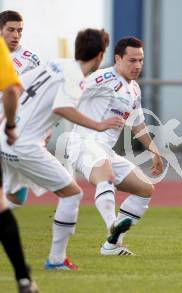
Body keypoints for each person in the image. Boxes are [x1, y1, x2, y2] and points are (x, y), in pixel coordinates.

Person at [0, 28, 125, 270]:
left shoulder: (56, 63)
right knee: (72, 193)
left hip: (6, 139)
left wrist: (14, 123)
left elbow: (16, 87)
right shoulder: (77, 77)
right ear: (100, 56)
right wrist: (98, 124)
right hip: (23, 145)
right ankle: (56, 261)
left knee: (14, 197)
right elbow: (62, 108)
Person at [64, 36, 163, 256]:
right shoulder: (102, 78)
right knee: (106, 175)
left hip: (105, 151)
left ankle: (111, 245)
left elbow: (138, 124)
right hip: (84, 143)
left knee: (145, 189)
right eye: (131, 60)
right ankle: (112, 225)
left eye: (140, 60)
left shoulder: (134, 89)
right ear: (117, 58)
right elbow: (67, 95)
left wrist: (155, 151)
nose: (137, 65)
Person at [0, 36, 38, 293]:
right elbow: (12, 90)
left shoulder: (29, 58)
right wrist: (11, 125)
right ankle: (23, 278)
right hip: (9, 134)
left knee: (15, 195)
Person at [0, 10, 40, 208]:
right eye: (11, 30)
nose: (16, 35)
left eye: (20, 31)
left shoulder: (31, 60)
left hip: (15, 130)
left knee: (17, 197)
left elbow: (40, 97)